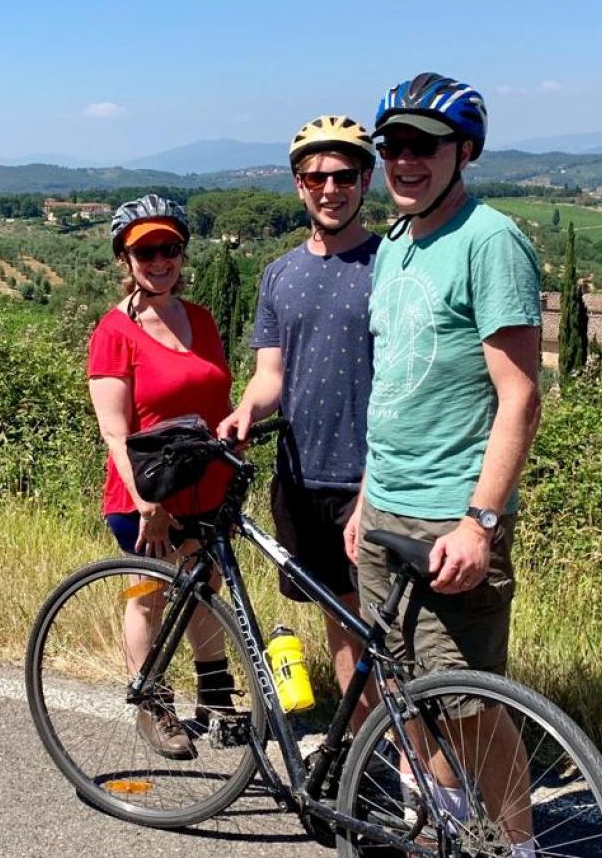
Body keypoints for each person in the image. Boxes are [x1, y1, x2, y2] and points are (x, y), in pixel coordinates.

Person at [344, 73, 542, 856]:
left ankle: (520, 847)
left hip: (450, 517)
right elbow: (394, 387)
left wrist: (481, 520)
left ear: (463, 152)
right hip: (387, 506)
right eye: (390, 145)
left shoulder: (489, 241)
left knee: (471, 708)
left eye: (421, 145)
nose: (402, 160)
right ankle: (455, 834)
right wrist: (366, 495)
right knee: (404, 694)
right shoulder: (395, 245)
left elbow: (520, 398)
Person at [217, 115, 379, 730]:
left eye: (342, 175)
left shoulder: (389, 265)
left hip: (373, 480)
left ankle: (425, 780)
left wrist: (377, 482)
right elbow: (271, 375)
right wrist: (244, 412)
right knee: (339, 622)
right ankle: (370, 765)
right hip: (302, 477)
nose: (329, 187)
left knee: (393, 640)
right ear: (298, 185)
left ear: (366, 180)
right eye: (315, 176)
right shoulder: (280, 273)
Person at [88, 193, 235, 758]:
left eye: (168, 248)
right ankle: (154, 705)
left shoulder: (200, 318)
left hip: (205, 486)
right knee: (149, 595)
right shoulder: (114, 332)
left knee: (206, 589)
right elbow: (115, 431)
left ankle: (217, 699)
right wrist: (148, 502)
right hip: (145, 495)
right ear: (125, 260)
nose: (158, 260)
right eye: (144, 250)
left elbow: (217, 399)